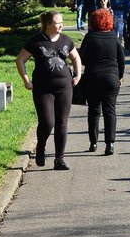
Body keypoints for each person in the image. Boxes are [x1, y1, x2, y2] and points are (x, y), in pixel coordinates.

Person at [16, 11, 82, 170]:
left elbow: (75, 57)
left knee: (62, 123)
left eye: (61, 22)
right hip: (43, 88)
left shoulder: (66, 40)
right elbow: (20, 60)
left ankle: (59, 159)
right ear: (48, 24)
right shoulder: (36, 42)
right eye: (58, 22)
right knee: (47, 122)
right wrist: (26, 81)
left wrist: (78, 75)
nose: (61, 25)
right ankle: (41, 147)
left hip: (64, 87)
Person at [79, 8, 125, 156]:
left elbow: (82, 59)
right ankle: (110, 143)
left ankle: (93, 142)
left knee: (93, 110)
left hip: (93, 77)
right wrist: (120, 76)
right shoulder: (113, 37)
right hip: (111, 77)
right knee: (110, 110)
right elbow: (121, 60)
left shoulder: (89, 37)